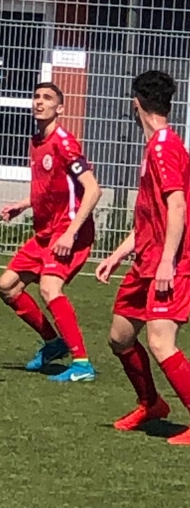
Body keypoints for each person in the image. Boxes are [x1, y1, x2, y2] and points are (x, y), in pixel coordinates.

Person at [96, 70, 190, 444]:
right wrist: (119, 254)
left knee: (161, 342)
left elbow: (178, 207)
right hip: (146, 261)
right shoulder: (155, 147)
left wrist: (168, 260)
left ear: (136, 104)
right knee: (120, 337)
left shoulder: (165, 148)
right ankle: (151, 403)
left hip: (170, 263)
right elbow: (154, 216)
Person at [0, 82, 102, 382]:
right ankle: (54, 343)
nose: (39, 102)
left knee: (49, 288)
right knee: (6, 286)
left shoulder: (64, 143)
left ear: (60, 108)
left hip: (69, 231)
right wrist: (23, 205)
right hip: (46, 231)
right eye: (36, 97)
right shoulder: (36, 141)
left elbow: (93, 190)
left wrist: (71, 233)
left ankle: (82, 363)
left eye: (47, 98)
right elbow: (51, 188)